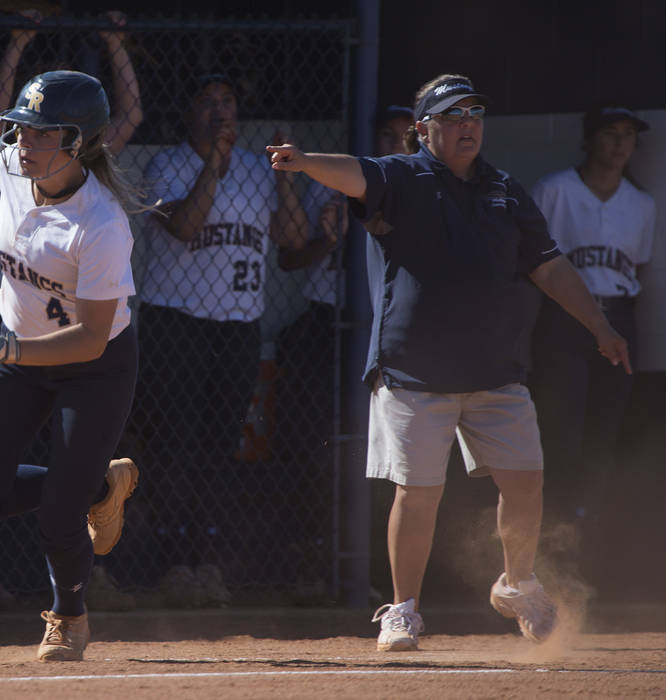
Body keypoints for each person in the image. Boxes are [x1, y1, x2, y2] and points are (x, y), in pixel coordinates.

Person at [267, 74, 631, 651]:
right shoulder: (400, 175)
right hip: (413, 373)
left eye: (475, 115)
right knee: (418, 492)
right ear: (422, 129)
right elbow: (353, 171)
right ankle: (403, 610)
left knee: (527, 482)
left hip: (496, 373)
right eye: (453, 115)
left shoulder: (506, 190)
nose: (468, 126)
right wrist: (305, 160)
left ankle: (517, 584)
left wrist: (602, 327)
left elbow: (552, 268)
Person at [0, 70, 141, 662]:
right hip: (23, 350)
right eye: (20, 129)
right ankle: (100, 484)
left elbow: (88, 341)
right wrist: (12, 350)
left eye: (38, 134)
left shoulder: (102, 224)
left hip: (95, 364)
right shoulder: (10, 168)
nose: (20, 142)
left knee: (60, 513)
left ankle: (69, 618)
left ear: (76, 142)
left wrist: (6, 351)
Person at [136, 72, 305, 606]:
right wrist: (213, 164)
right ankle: (171, 561)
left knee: (217, 444)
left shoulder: (257, 169)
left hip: (238, 324)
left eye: (228, 101)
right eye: (207, 102)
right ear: (190, 113)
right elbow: (184, 226)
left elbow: (295, 239)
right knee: (174, 443)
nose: (219, 111)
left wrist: (284, 177)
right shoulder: (167, 164)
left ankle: (202, 552)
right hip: (176, 320)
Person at [275, 104, 413, 604]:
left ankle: (373, 572)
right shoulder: (329, 178)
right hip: (323, 323)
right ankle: (311, 567)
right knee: (317, 451)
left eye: (405, 137)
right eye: (386, 135)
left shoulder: (416, 190)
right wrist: (327, 240)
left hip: (385, 333)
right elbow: (291, 258)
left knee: (380, 458)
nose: (395, 144)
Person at [528, 103, 655, 561]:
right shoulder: (555, 190)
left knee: (605, 428)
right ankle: (553, 526)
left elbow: (637, 267)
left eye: (628, 135)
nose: (620, 143)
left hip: (618, 317)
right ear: (588, 140)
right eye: (610, 133)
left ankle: (589, 531)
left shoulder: (641, 204)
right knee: (560, 426)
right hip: (562, 319)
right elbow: (529, 261)